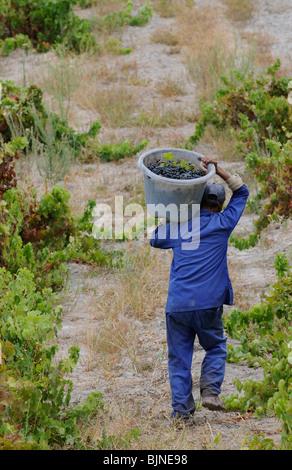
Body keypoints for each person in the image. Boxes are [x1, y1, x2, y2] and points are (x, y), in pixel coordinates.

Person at [150, 156, 249, 422]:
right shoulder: (223, 223)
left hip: (178, 305)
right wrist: (218, 169)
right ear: (220, 206)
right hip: (208, 304)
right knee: (215, 346)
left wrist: (178, 210)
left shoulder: (181, 226)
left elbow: (155, 238)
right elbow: (243, 192)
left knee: (179, 359)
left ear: (197, 204)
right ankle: (210, 392)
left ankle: (181, 414)